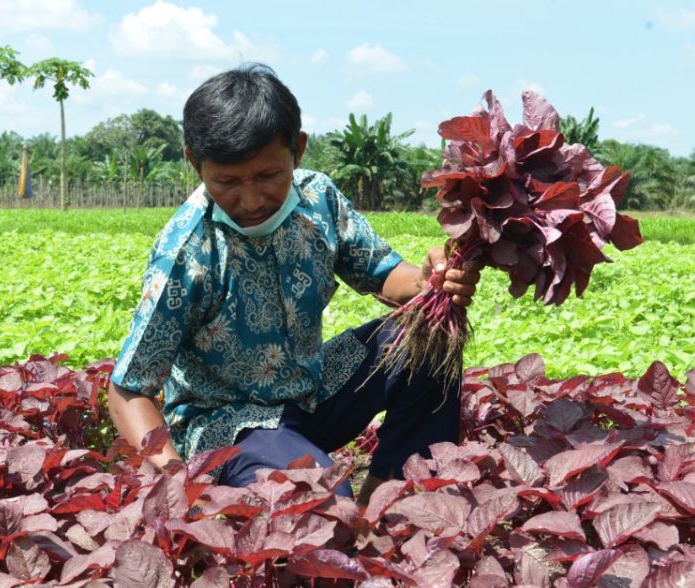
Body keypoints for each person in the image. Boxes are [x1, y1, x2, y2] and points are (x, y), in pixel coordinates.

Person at [107, 64, 479, 502]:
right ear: (195, 163)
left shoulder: (318, 199)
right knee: (321, 499)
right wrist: (174, 482)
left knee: (430, 334)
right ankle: (346, 512)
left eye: (268, 176)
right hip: (229, 425)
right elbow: (128, 387)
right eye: (227, 182)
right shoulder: (187, 255)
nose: (251, 200)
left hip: (311, 395)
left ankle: (388, 500)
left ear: (297, 150)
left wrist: (431, 281)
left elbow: (385, 274)